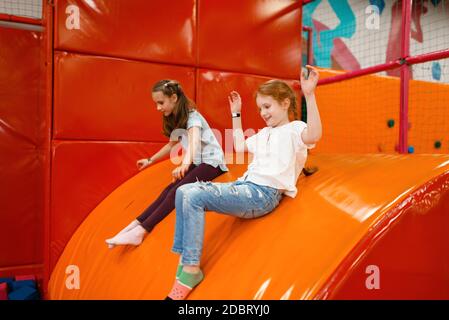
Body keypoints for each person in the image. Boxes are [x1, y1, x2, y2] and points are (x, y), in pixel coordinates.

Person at [166, 66, 322, 300]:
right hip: (244, 187)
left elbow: (313, 136)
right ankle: (185, 262)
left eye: (267, 107)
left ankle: (190, 271)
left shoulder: (294, 130)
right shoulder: (263, 134)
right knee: (183, 191)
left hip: (262, 195)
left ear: (285, 103)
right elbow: (239, 147)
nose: (263, 113)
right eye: (260, 109)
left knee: (194, 195)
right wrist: (236, 115)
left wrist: (309, 95)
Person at [106, 80, 228, 248]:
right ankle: (133, 226)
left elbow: (193, 141)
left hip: (212, 163)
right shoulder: (177, 118)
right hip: (199, 162)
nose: (158, 108)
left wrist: (185, 164)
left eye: (161, 103)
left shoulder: (193, 117)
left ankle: (141, 231)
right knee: (167, 190)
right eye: (156, 103)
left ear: (174, 98)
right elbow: (171, 144)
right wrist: (150, 160)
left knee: (178, 191)